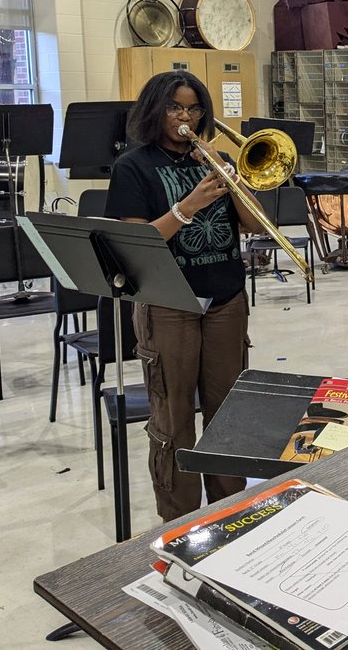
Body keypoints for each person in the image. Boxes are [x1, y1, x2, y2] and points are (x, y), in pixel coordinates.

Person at [105, 70, 267, 522]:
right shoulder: (132, 167)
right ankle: (180, 521)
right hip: (167, 303)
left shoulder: (212, 159)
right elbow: (136, 243)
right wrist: (187, 206)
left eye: (194, 108)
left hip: (226, 298)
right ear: (156, 109)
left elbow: (254, 226)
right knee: (174, 418)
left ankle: (231, 512)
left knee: (228, 413)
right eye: (175, 107)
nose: (185, 116)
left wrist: (228, 176)